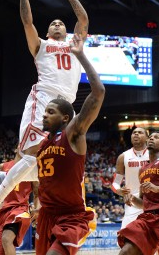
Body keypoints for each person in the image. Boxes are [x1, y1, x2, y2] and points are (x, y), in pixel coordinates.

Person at [0, 0, 90, 238]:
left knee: (58, 167)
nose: (56, 24)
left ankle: (7, 177)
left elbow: (83, 18)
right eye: (52, 23)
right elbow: (26, 20)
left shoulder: (74, 45)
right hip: (44, 103)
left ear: (65, 31)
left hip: (68, 110)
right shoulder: (40, 46)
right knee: (31, 157)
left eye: (60, 23)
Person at [32, 32, 105, 255]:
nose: (44, 116)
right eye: (45, 111)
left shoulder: (73, 133)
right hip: (46, 215)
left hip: (71, 215)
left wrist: (80, 55)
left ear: (65, 118)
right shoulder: (43, 144)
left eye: (50, 112)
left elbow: (99, 92)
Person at [117, 131, 159, 255]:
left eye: (156, 137)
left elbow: (156, 189)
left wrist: (158, 189)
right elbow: (143, 203)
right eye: (150, 137)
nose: (152, 139)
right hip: (148, 217)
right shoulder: (142, 170)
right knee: (126, 251)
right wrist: (131, 198)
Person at [0, 159, 40, 255]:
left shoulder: (32, 166)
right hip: (3, 211)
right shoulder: (3, 166)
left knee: (7, 239)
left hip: (20, 209)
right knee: (2, 251)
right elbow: (0, 192)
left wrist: (37, 210)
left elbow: (37, 194)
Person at [110, 127, 150, 230]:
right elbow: (115, 183)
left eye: (140, 132)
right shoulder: (123, 156)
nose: (136, 134)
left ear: (147, 138)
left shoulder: (154, 155)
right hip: (131, 201)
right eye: (134, 133)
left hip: (152, 200)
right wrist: (120, 191)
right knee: (125, 239)